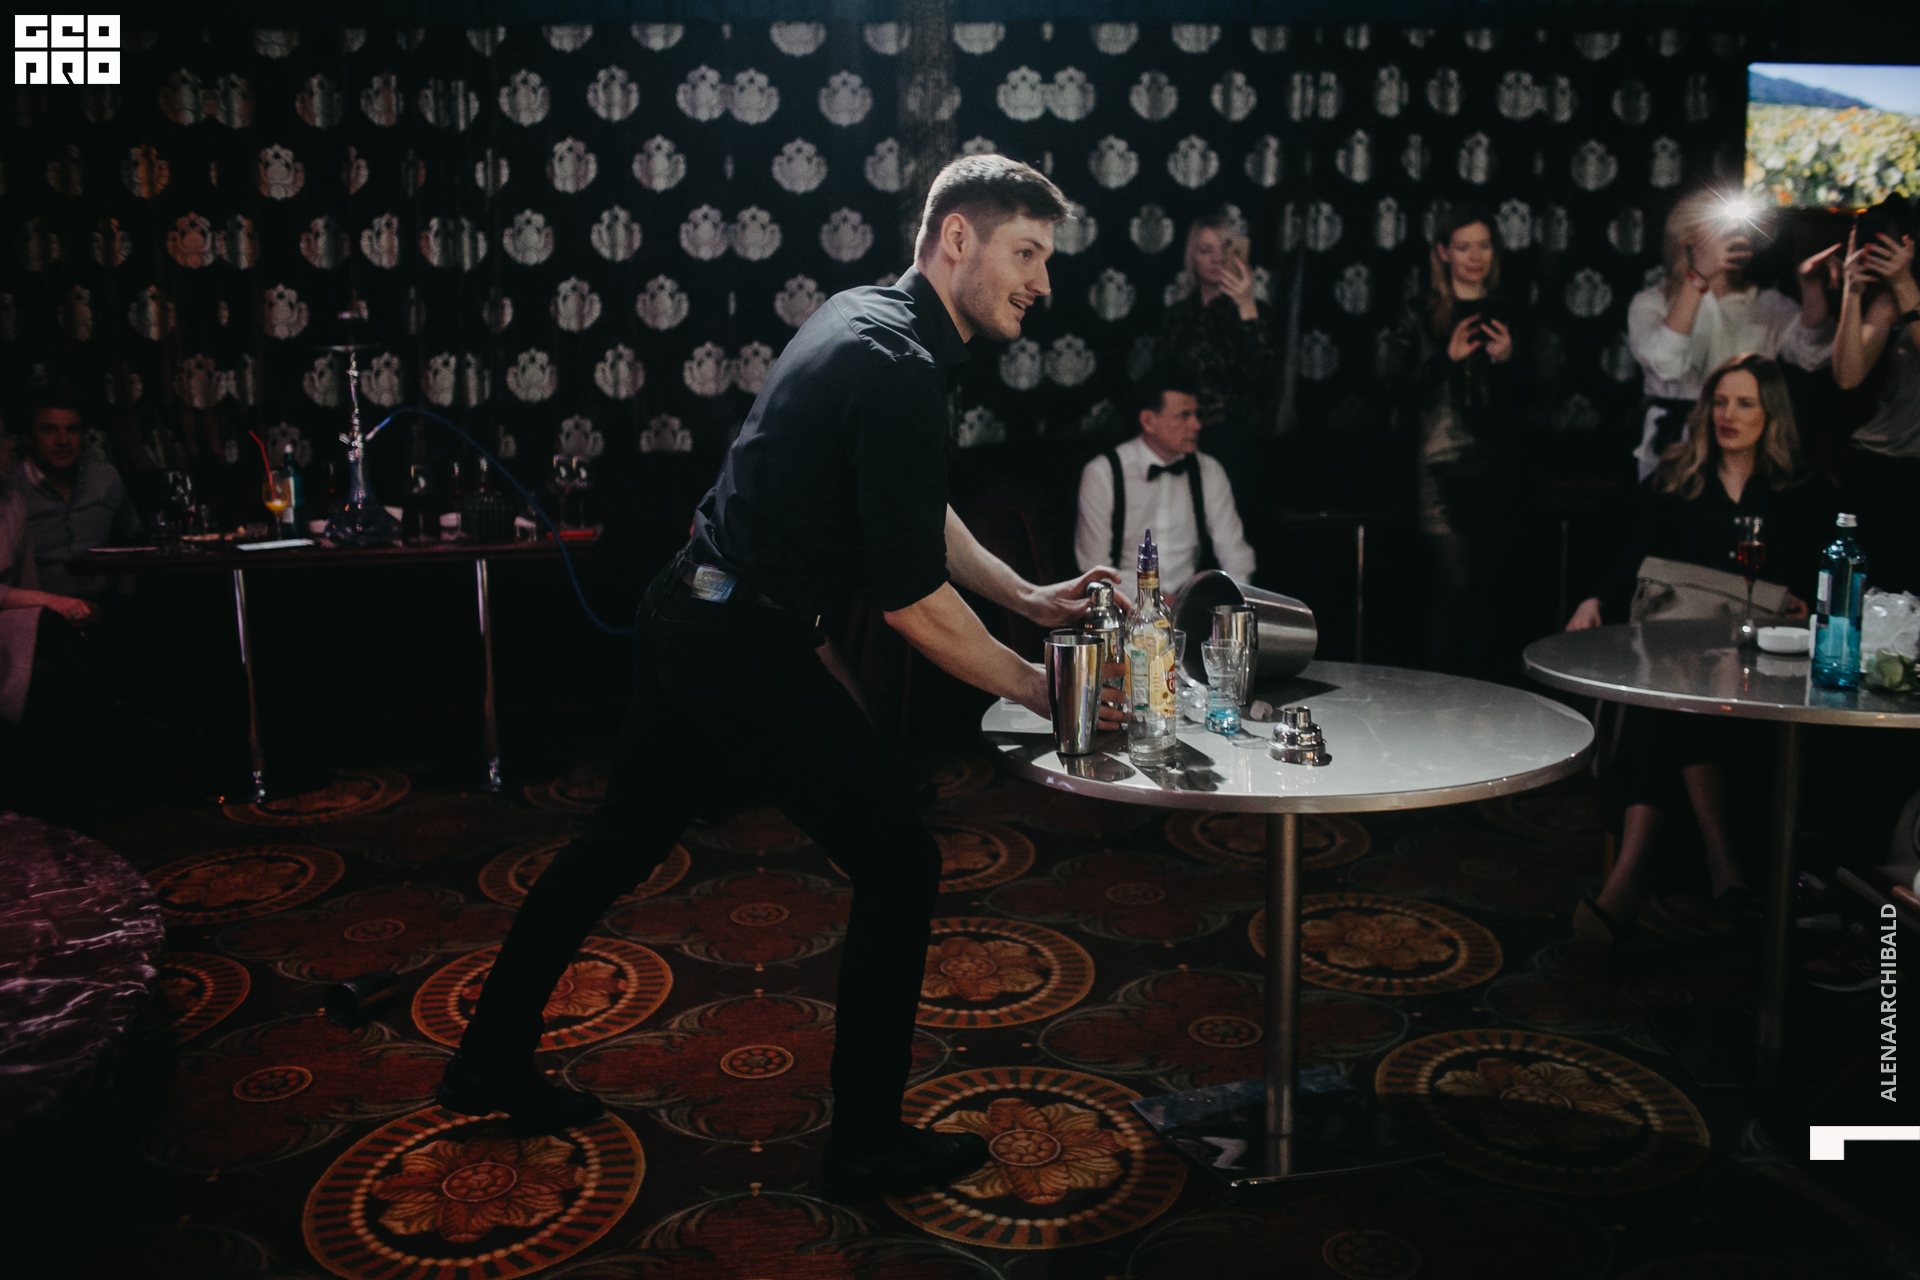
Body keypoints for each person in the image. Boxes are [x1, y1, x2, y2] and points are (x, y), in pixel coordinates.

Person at [440, 155, 1129, 1203]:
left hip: (688, 610)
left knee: (614, 846)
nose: (1042, 283)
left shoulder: (871, 317)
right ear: (957, 238)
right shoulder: (899, 365)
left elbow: (912, 507)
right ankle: (867, 1144)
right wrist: (1046, 689)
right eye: (1027, 253)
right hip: (739, 640)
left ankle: (486, 1058)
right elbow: (910, 602)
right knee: (900, 860)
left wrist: (1029, 599)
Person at [1565, 355, 1832, 944]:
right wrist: (1595, 599)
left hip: (1762, 663)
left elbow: (1819, 581)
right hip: (1680, 653)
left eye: (1744, 404)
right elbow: (1634, 559)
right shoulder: (1677, 477)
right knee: (1669, 695)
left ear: (1771, 415)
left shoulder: (1801, 489)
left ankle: (1625, 887)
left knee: (1674, 701)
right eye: (1720, 402)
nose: (1727, 415)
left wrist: (1802, 604)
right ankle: (1718, 864)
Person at [1625, 188, 1837, 482]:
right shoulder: (1652, 303)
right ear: (1688, 234)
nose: (1733, 230)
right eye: (1721, 221)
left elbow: (1813, 355)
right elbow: (1666, 365)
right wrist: (1698, 278)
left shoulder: (1767, 303)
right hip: (1674, 445)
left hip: (1745, 448)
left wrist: (1812, 289)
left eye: (1739, 224)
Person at [1393, 203, 1522, 678]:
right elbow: (1397, 393)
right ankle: (1439, 695)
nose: (1475, 257)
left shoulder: (1510, 309)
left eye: (1483, 245)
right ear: (1443, 251)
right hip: (1442, 470)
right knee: (1455, 586)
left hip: (1498, 468)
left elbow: (1537, 399)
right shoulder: (1420, 312)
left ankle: (1483, 698)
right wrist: (1444, 360)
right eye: (1464, 246)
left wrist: (1508, 361)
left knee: (1491, 593)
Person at [1073, 367, 1255, 600]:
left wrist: (1230, 601)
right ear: (1148, 421)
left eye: (1196, 414)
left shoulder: (1208, 470)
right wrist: (1157, 601)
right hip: (1124, 607)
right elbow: (1094, 569)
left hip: (1191, 608)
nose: (1196, 425)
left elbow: (1235, 553)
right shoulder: (1102, 474)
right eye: (1184, 415)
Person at [1155, 212, 1278, 510]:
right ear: (1193, 258)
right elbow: (1164, 382)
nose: (1217, 258)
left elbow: (1265, 379)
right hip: (1184, 442)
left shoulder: (1257, 312)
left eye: (1225, 248)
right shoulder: (1177, 317)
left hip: (1238, 445)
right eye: (1205, 250)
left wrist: (1246, 306)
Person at [1832, 196, 1920, 594]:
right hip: (1878, 467)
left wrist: (1904, 283)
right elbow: (1848, 375)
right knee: (1869, 593)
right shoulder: (1888, 301)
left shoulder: (1905, 292)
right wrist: (1852, 291)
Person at [10, 388, 142, 601]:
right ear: (28, 437)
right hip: (40, 609)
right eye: (49, 430)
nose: (63, 440)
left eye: (72, 430)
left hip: (106, 604)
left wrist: (125, 595)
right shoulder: (11, 488)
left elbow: (130, 538)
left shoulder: (104, 477)